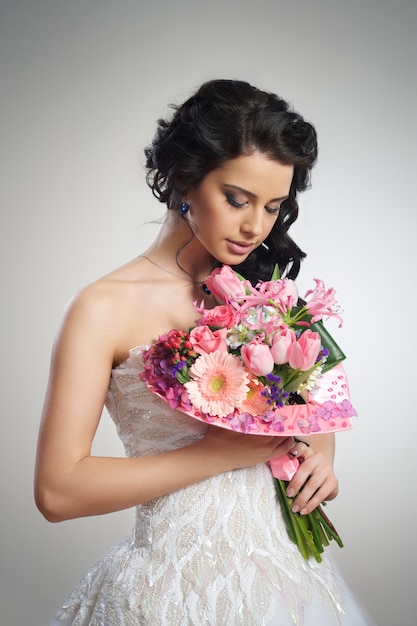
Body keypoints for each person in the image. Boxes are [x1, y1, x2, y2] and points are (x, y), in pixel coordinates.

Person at [35, 79, 375, 625]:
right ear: (183, 178)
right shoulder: (101, 308)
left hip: (289, 585)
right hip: (169, 591)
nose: (255, 226)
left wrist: (322, 463)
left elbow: (308, 418)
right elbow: (58, 490)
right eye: (236, 199)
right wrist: (221, 454)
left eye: (273, 206)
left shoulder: (269, 300)